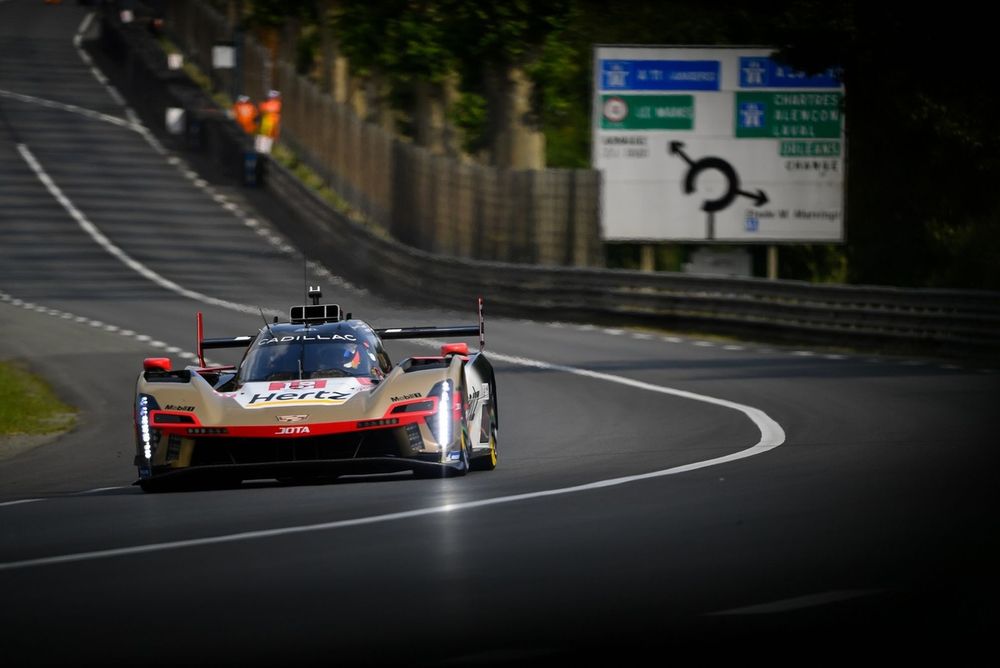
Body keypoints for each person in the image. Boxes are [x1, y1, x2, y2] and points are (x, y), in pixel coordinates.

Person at [255, 89, 282, 154]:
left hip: (266, 129)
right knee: (264, 148)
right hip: (267, 130)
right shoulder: (276, 105)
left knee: (261, 147)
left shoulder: (264, 105)